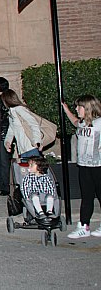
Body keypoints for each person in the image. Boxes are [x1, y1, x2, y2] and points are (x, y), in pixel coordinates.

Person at [62, 95, 101, 239]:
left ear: (88, 108)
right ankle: (84, 226)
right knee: (87, 196)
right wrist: (66, 110)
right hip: (84, 165)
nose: (77, 109)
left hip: (98, 166)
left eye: (79, 107)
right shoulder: (83, 123)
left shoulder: (99, 123)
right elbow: (74, 122)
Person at [0, 89, 43, 159]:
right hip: (22, 149)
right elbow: (11, 130)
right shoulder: (11, 113)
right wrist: (7, 142)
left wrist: (36, 140)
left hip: (31, 146)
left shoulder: (20, 109)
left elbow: (34, 123)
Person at [21, 156, 57, 221]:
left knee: (50, 197)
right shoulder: (28, 177)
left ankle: (49, 211)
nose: (29, 167)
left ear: (39, 167)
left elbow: (51, 187)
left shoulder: (46, 177)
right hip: (33, 196)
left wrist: (52, 195)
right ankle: (40, 212)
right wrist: (26, 197)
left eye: (31, 165)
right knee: (34, 196)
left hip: (44, 195)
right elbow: (25, 187)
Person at [0, 77, 12, 196]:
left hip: (4, 133)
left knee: (3, 162)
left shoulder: (5, 99)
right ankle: (1, 183)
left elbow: (3, 117)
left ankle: (5, 186)